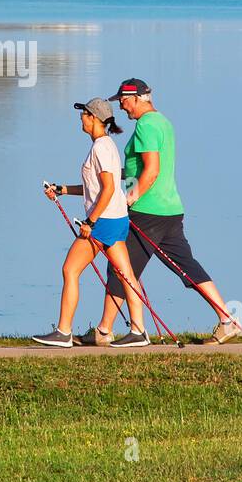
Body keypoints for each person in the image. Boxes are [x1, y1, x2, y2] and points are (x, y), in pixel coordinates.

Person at [76, 78, 240, 346]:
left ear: (140, 98)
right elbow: (137, 172)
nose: (123, 107)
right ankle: (226, 319)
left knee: (121, 269)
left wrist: (129, 199)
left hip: (147, 212)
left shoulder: (146, 125)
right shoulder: (162, 122)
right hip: (170, 210)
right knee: (185, 266)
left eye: (125, 101)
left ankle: (113, 331)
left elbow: (151, 171)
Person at [32, 98, 151, 348]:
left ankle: (64, 332)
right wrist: (62, 189)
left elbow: (108, 189)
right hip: (115, 218)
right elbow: (94, 188)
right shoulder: (104, 146)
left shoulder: (101, 148)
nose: (81, 118)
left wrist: (90, 221)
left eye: (84, 114)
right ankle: (139, 330)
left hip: (104, 221)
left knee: (70, 269)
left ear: (95, 118)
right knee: (126, 274)